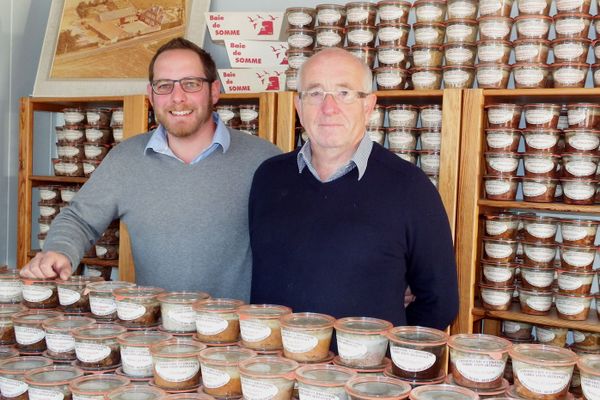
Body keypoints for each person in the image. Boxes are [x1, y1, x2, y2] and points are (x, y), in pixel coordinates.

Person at [20, 37, 281, 300]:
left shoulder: (263, 160)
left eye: (191, 84)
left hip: (234, 335)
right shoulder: (126, 159)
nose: (177, 98)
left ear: (214, 91)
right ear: (151, 95)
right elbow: (80, 219)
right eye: (164, 86)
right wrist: (59, 251)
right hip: (153, 333)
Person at [249, 48, 458, 329]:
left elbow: (440, 303)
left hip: (367, 371)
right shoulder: (268, 178)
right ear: (298, 107)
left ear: (368, 106)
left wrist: (384, 350)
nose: (329, 107)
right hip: (275, 368)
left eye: (344, 93)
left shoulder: (410, 187)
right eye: (315, 93)